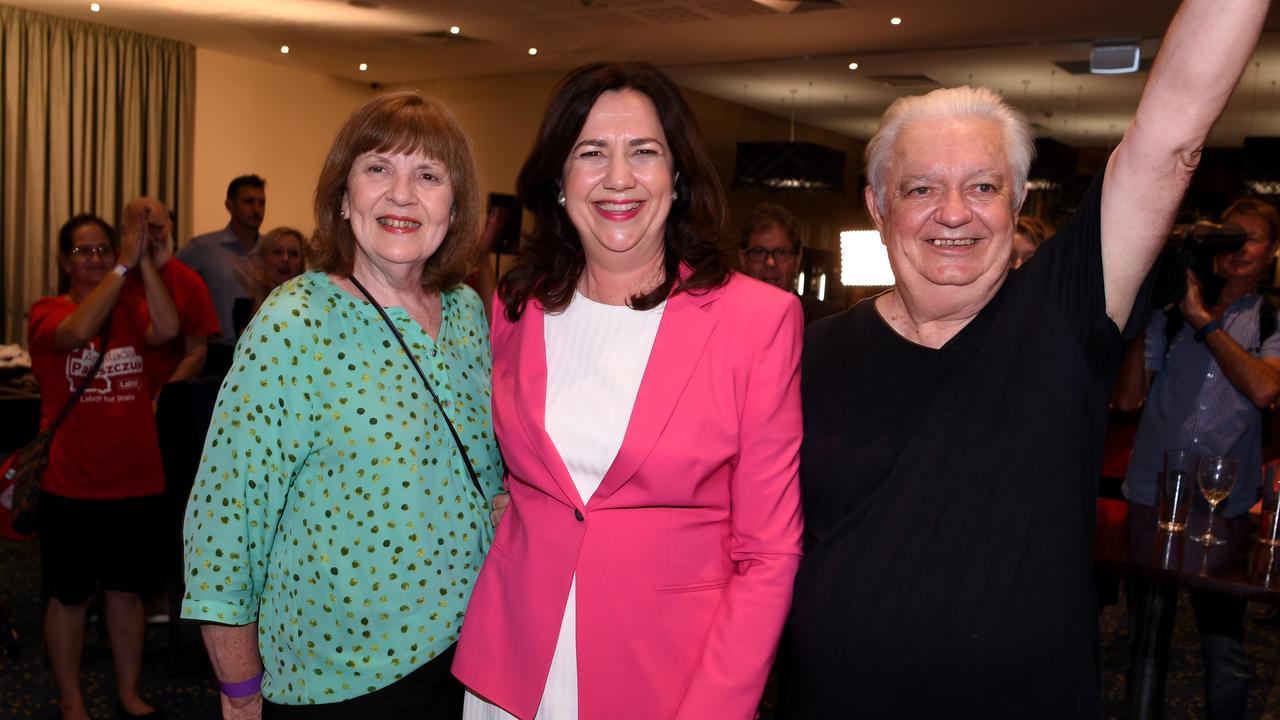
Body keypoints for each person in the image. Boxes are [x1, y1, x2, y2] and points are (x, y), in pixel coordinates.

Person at [779, 0, 1268, 716]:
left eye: (983, 186)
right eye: (921, 189)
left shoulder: (1063, 315)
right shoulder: (804, 350)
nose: (954, 212)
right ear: (878, 204)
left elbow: (1170, 136)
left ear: (1014, 205)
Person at [453, 61, 804, 720]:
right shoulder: (515, 305)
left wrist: (716, 710)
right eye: (592, 153)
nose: (618, 178)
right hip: (512, 667)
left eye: (644, 152)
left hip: (670, 681)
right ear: (559, 180)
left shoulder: (757, 321)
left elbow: (769, 553)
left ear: (678, 176)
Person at [180, 92, 504, 719]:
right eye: (378, 168)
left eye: (429, 175)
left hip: (473, 654)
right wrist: (241, 693)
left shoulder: (465, 312)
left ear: (454, 206)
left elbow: (481, 470)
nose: (402, 195)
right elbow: (225, 522)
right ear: (342, 196)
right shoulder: (294, 324)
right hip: (344, 675)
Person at [1117, 197, 1280, 718]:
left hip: (1223, 502)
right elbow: (1124, 399)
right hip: (1153, 491)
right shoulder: (1172, 311)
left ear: (1272, 251)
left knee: (1223, 642)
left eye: (1250, 239)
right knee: (1145, 638)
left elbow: (1262, 389)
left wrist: (1204, 321)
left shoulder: (1272, 316)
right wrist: (1144, 311)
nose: (1237, 250)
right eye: (1228, 237)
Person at [29, 213, 179, 720]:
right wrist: (120, 269)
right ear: (62, 260)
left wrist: (145, 265)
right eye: (83, 251)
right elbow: (76, 330)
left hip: (136, 483)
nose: (93, 259)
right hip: (71, 485)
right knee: (70, 598)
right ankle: (72, 699)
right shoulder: (46, 311)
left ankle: (128, 691)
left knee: (126, 594)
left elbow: (171, 328)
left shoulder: (132, 307)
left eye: (103, 249)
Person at [119, 197, 220, 394]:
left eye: (157, 228)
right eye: (142, 230)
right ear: (126, 232)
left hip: (165, 397)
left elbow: (197, 352)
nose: (150, 238)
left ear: (170, 227)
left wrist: (163, 396)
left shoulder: (190, 282)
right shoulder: (110, 273)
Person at [178, 174, 267, 375]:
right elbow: (171, 281)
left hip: (262, 352)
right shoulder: (203, 247)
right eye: (248, 202)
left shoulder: (271, 250)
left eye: (261, 203)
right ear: (229, 205)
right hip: (217, 354)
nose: (256, 209)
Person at [738, 203, 832, 325]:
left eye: (782, 252)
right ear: (743, 259)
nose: (770, 263)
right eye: (759, 252)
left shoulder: (823, 322)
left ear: (798, 258)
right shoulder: (724, 318)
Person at [230, 226, 306, 337]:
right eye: (277, 252)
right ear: (262, 259)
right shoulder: (243, 307)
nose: (285, 258)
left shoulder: (312, 304)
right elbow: (249, 343)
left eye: (293, 253)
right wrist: (259, 291)